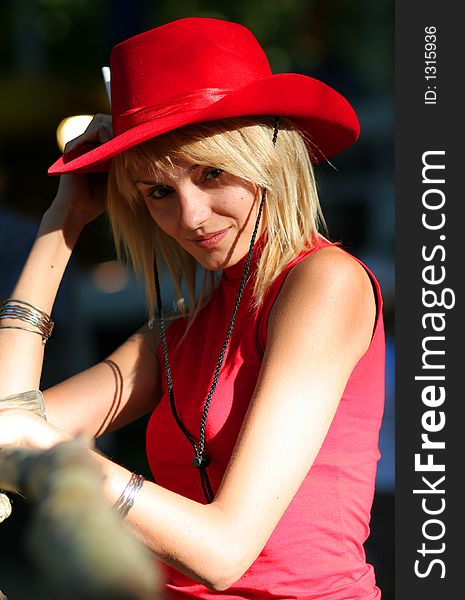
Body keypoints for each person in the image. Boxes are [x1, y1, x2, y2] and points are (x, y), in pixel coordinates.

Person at [0, 17, 385, 599]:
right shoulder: (179, 332)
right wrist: (63, 221)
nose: (192, 216)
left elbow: (224, 552)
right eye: (158, 192)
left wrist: (52, 451)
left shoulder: (324, 282)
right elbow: (8, 424)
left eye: (212, 173)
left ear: (267, 160)